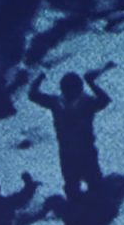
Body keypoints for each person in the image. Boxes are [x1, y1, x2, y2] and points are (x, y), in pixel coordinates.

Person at [28, 68, 111, 199]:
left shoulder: (81, 103)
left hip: (81, 151)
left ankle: (95, 208)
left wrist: (39, 79)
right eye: (67, 89)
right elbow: (33, 95)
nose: (69, 92)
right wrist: (91, 83)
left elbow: (105, 100)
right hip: (71, 152)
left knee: (92, 185)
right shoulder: (60, 102)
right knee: (75, 187)